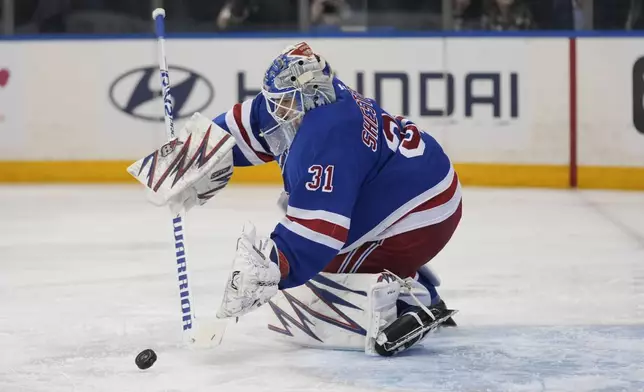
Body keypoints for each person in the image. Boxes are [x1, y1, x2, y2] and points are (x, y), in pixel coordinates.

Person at [132, 42, 462, 356]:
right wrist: (193, 156)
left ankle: (411, 297)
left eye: (285, 102)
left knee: (326, 269)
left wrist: (274, 266)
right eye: (278, 102)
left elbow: (317, 235)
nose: (279, 111)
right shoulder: (316, 98)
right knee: (298, 207)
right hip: (410, 182)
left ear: (310, 94)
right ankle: (399, 270)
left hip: (423, 209)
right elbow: (252, 121)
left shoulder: (328, 135)